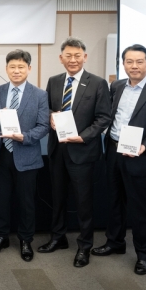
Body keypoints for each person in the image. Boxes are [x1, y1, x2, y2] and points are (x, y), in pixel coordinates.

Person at [92, 44, 146, 275]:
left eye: (139, 61)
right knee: (114, 201)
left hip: (140, 156)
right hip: (113, 150)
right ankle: (115, 242)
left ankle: (145, 254)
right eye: (129, 61)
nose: (134, 66)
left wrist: (144, 146)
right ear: (123, 64)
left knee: (141, 208)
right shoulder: (116, 86)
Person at [38, 38, 110, 268]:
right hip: (57, 150)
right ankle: (58, 238)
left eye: (77, 55)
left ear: (85, 57)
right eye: (68, 55)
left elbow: (103, 118)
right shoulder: (54, 81)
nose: (73, 60)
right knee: (57, 198)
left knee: (83, 203)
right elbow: (47, 107)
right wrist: (49, 115)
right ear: (61, 58)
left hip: (83, 151)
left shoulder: (98, 83)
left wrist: (85, 136)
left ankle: (84, 246)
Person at [0, 49, 49, 262]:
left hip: (26, 154)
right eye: (12, 67)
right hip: (1, 153)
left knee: (26, 202)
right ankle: (1, 236)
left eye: (21, 67)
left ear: (29, 69)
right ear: (6, 68)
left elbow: (43, 126)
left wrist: (25, 137)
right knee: (1, 200)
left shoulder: (40, 95)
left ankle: (25, 240)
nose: (16, 71)